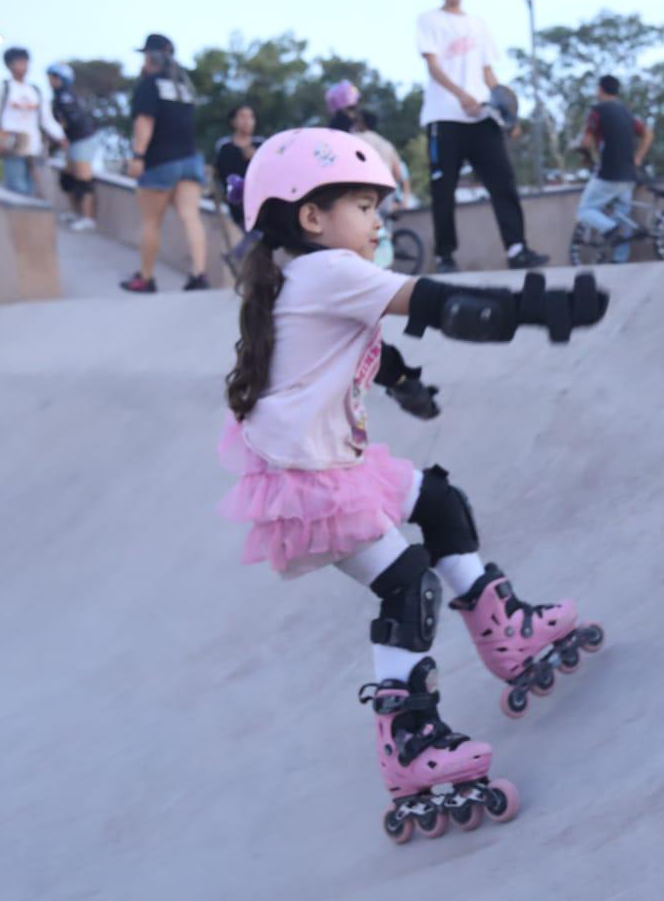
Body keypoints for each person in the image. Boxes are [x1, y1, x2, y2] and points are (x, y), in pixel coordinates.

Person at [218, 127, 606, 839]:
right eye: (365, 207)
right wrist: (536, 308)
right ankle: (411, 741)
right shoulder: (329, 270)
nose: (378, 224)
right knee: (407, 582)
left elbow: (368, 344)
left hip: (328, 464)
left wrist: (404, 384)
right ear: (312, 217)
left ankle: (506, 632)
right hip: (311, 482)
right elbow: (441, 306)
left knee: (438, 500)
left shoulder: (303, 277)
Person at [416, 0, 547, 273]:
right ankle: (445, 255)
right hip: (444, 118)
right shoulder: (429, 20)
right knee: (443, 190)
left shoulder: (478, 25)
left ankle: (517, 249)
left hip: (482, 118)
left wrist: (506, 111)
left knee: (503, 182)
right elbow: (433, 66)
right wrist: (462, 96)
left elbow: (488, 72)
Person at [121, 33, 209, 293]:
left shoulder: (149, 85)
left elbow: (144, 122)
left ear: (150, 56)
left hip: (160, 161)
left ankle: (146, 278)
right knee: (191, 216)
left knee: (151, 222)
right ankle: (199, 274)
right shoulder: (184, 87)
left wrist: (138, 156)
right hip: (190, 159)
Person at [576, 75, 654, 264]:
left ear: (601, 89)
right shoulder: (626, 113)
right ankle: (620, 259)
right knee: (623, 214)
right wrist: (637, 158)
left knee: (584, 210)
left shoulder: (598, 111)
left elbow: (586, 142)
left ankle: (609, 229)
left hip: (608, 174)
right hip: (628, 175)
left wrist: (585, 153)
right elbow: (648, 134)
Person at [0, 47, 65, 197]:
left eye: (25, 63)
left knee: (36, 189)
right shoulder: (3, 88)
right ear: (9, 65)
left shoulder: (35, 91)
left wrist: (60, 136)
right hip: (12, 145)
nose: (23, 67)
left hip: (35, 146)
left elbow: (46, 119)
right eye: (18, 63)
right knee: (17, 188)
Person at [46, 63, 99, 231]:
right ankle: (76, 213)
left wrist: (61, 135)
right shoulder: (59, 96)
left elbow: (73, 121)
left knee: (84, 179)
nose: (50, 81)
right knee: (68, 179)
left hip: (81, 139)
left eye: (54, 77)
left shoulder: (66, 97)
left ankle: (88, 217)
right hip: (72, 141)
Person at [212, 103, 263, 232]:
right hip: (237, 203)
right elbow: (219, 172)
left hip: (261, 201)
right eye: (242, 116)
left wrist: (256, 157)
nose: (247, 121)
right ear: (233, 121)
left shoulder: (261, 144)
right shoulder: (225, 146)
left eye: (251, 117)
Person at [354, 110, 412, 212]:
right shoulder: (386, 144)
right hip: (385, 191)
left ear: (361, 123)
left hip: (362, 191)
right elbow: (398, 173)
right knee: (384, 225)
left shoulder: (354, 139)